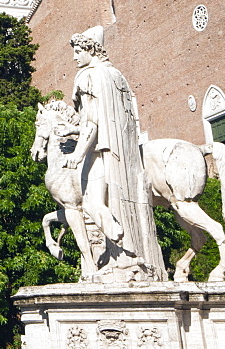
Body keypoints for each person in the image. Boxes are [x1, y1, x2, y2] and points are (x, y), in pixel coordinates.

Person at [66, 27, 165, 281]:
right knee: (119, 200)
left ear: (90, 49)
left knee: (90, 203)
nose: (75, 58)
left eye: (78, 51)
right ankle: (133, 255)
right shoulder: (116, 75)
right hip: (126, 154)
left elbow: (91, 121)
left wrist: (78, 153)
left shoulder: (87, 77)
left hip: (99, 149)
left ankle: (120, 250)